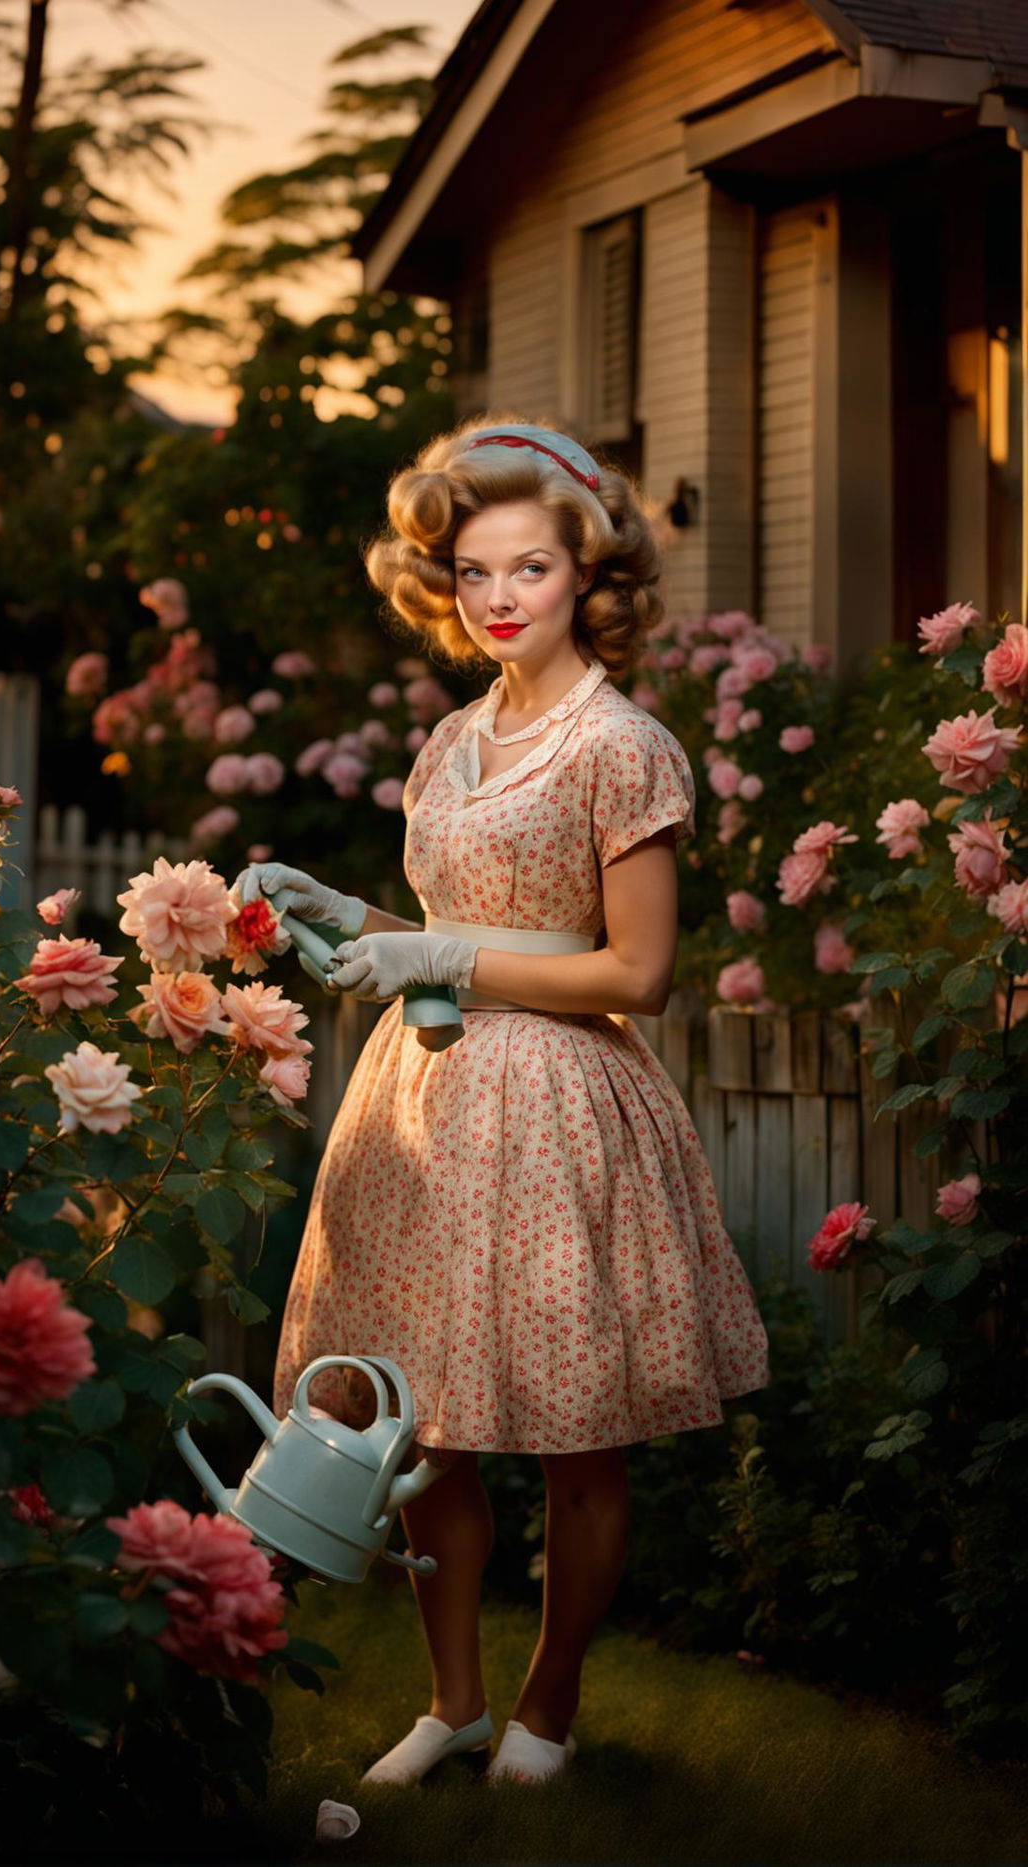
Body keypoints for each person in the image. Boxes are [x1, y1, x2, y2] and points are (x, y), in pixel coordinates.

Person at [236, 415, 771, 1787]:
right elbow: (439, 923)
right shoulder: (450, 741)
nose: (498, 599)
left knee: (577, 1441)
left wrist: (444, 959)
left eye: (528, 569)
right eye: (474, 574)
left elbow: (640, 973)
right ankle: (455, 1702)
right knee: (424, 1427)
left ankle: (549, 1705)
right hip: (419, 1109)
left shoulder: (621, 745)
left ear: (590, 575)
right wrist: (328, 907)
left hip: (558, 1111)